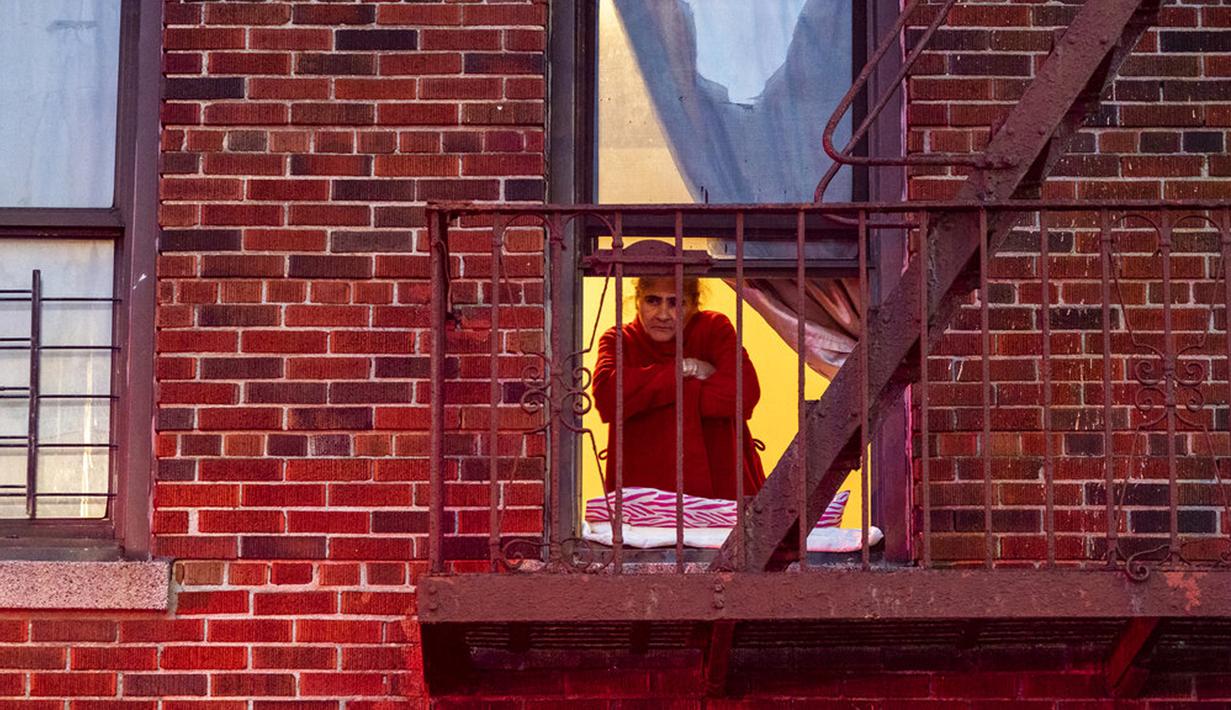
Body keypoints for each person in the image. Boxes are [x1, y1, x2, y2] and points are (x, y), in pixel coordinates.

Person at [593, 276, 766, 500]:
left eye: (676, 303)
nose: (663, 315)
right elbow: (607, 397)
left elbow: (744, 393)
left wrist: (644, 397)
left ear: (694, 305)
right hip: (643, 496)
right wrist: (686, 369)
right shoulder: (620, 340)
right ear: (637, 301)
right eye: (653, 301)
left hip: (723, 488)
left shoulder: (713, 329)